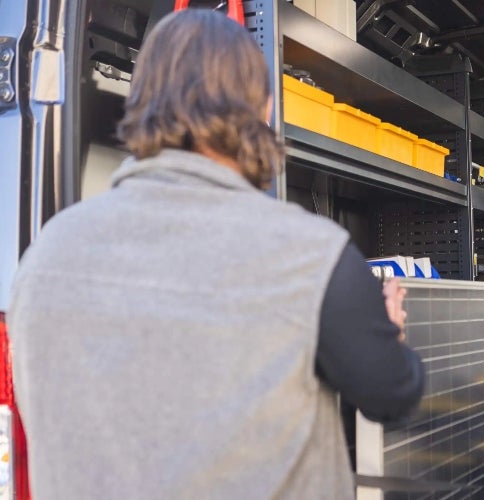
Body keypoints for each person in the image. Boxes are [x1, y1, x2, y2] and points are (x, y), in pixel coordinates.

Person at [7, 9, 423, 500]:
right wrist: (388, 333)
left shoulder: (43, 257)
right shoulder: (312, 257)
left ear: (139, 103)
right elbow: (393, 396)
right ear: (265, 109)